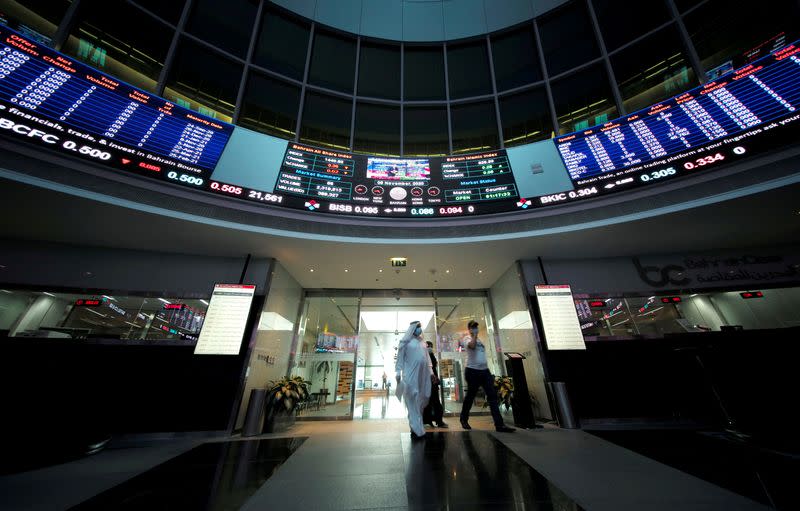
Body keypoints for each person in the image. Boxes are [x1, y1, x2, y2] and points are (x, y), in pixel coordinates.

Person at [459, 320, 515, 433]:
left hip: (484, 371)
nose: (475, 328)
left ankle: (499, 425)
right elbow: (472, 346)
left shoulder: (480, 340)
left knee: (492, 396)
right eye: (473, 327)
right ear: (469, 329)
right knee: (470, 396)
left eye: (476, 327)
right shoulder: (467, 339)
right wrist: (474, 335)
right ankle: (463, 419)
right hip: (472, 371)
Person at [396, 320, 437, 439]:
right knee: (412, 399)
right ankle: (416, 429)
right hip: (410, 375)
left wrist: (432, 372)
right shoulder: (405, 342)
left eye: (420, 327)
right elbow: (400, 359)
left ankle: (417, 426)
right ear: (412, 328)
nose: (420, 329)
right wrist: (398, 372)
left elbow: (427, 359)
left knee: (422, 399)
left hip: (423, 376)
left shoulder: (422, 342)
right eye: (418, 327)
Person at [422, 340, 448, 428]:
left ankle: (437, 421)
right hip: (427, 382)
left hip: (433, 382)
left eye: (430, 346)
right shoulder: (424, 356)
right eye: (428, 346)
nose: (429, 348)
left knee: (434, 402)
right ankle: (431, 421)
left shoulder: (431, 355)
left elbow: (434, 369)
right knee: (430, 403)